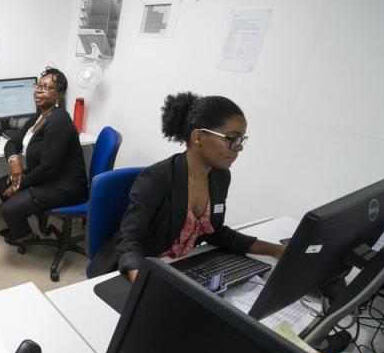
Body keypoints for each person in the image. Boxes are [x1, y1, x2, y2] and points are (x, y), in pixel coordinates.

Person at [103, 92, 284, 281]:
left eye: (241, 140)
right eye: (231, 138)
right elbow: (129, 241)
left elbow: (215, 232)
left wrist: (275, 250)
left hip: (181, 267)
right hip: (137, 270)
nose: (239, 148)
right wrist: (143, 284)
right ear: (198, 136)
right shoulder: (157, 178)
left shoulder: (220, 176)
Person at [0, 68, 88, 244]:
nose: (38, 90)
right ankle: (24, 226)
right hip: (48, 178)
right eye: (38, 85)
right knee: (2, 184)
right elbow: (12, 143)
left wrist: (20, 184)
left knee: (9, 209)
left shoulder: (59, 121)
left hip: (65, 187)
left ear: (59, 95)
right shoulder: (41, 114)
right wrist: (13, 160)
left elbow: (48, 168)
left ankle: (26, 237)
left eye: (46, 88)